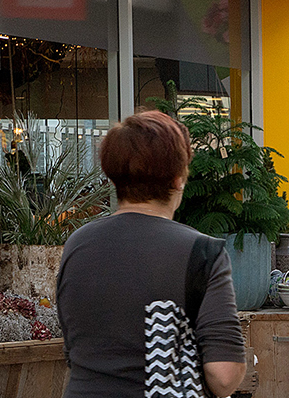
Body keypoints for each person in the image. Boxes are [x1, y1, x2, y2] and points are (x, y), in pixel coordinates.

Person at [57, 111, 245, 397]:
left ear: (113, 174)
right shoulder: (203, 253)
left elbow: (74, 349)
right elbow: (224, 374)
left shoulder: (77, 245)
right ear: (178, 179)